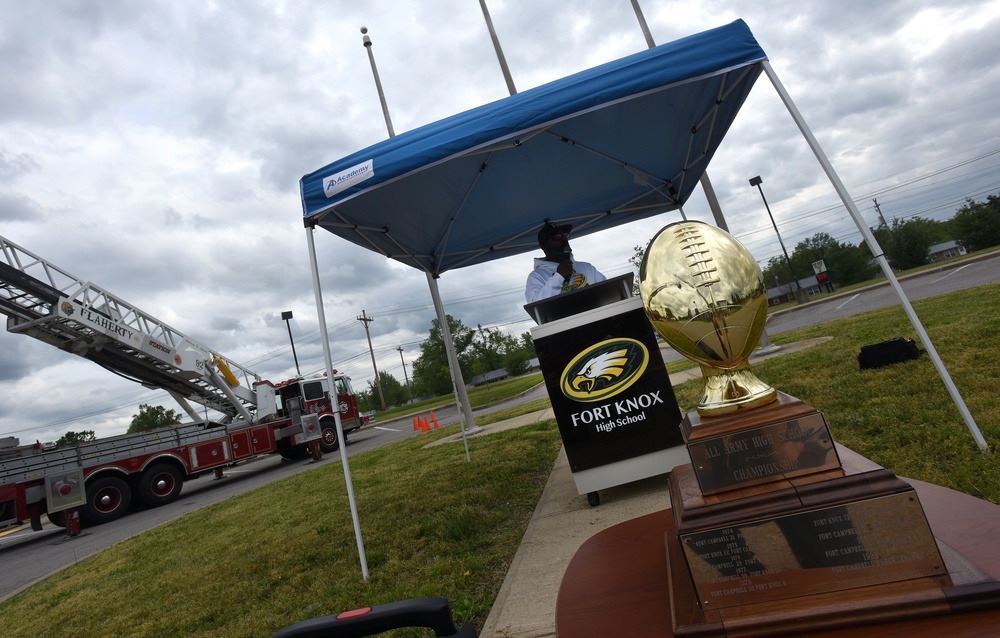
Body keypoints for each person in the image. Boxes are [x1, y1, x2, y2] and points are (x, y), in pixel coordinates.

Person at [525, 221, 606, 303]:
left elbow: (608, 291)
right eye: (557, 236)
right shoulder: (537, 276)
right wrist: (559, 276)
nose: (563, 239)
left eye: (564, 235)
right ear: (544, 247)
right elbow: (536, 305)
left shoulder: (587, 267)